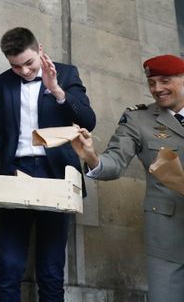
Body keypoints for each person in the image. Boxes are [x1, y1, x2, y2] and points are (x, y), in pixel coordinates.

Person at [0, 27, 96, 302]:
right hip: (16, 174)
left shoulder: (67, 73)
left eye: (29, 63)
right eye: (16, 66)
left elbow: (88, 120)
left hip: (56, 177)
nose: (24, 71)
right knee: (9, 266)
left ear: (40, 50)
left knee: (50, 270)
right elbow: (0, 132)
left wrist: (57, 90)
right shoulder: (3, 83)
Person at [71, 54, 184, 301]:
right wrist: (92, 157)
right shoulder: (138, 119)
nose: (158, 89)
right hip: (168, 236)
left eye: (165, 81)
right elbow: (115, 161)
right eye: (152, 83)